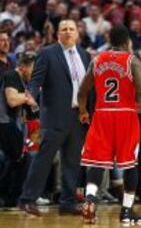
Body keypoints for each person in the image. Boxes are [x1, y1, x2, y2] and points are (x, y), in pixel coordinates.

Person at [78, 25, 141, 224]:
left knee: (97, 161)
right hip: (126, 116)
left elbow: (82, 90)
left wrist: (84, 110)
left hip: (102, 115)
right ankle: (127, 210)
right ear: (127, 41)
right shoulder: (132, 61)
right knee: (130, 164)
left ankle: (90, 197)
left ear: (110, 40)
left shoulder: (97, 60)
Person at [18, 20, 90, 216]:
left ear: (77, 34)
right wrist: (30, 94)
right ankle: (27, 199)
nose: (68, 32)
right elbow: (36, 80)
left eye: (71, 29)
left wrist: (88, 111)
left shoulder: (85, 55)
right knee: (44, 159)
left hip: (78, 117)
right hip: (55, 115)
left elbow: (89, 88)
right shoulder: (47, 53)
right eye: (64, 29)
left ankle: (67, 202)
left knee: (72, 162)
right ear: (58, 34)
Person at [0, 52, 37, 205]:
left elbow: (33, 113)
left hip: (9, 124)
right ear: (22, 67)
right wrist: (28, 98)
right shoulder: (12, 76)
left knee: (18, 159)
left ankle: (9, 198)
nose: (34, 74)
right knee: (21, 158)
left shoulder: (22, 81)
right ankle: (11, 198)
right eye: (32, 70)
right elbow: (12, 100)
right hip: (4, 123)